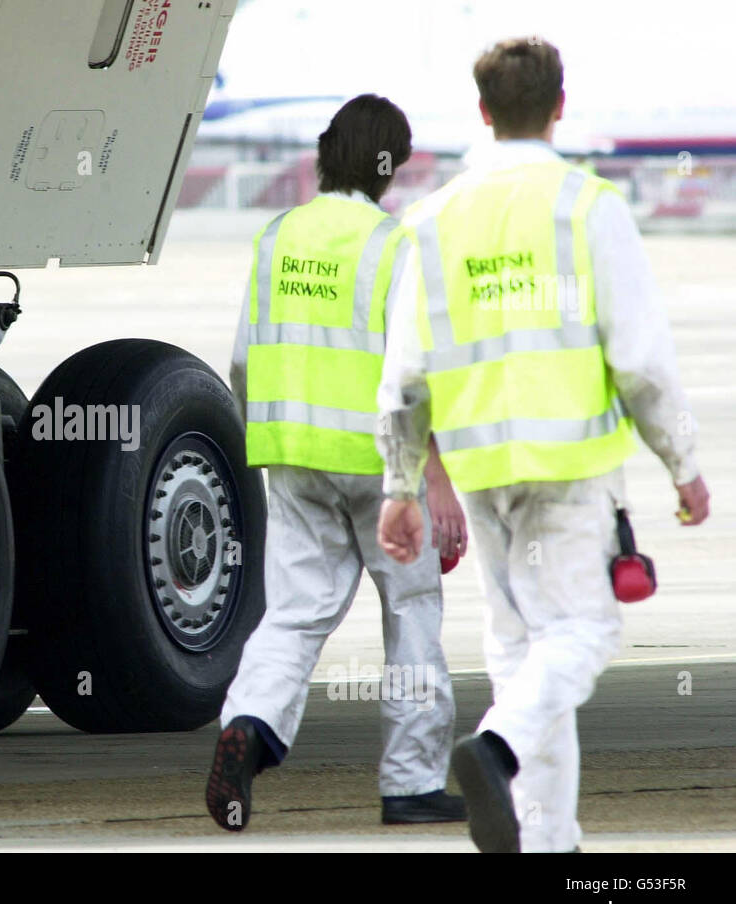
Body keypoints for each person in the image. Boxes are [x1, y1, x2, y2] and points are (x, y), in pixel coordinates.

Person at [375, 38, 710, 853]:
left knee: (522, 649)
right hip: (568, 464)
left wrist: (402, 483)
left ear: (482, 112)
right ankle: (496, 747)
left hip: (482, 469)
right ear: (560, 106)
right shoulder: (588, 208)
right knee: (583, 634)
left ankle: (548, 842)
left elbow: (406, 375)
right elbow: (640, 360)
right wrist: (684, 463)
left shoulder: (429, 222)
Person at [205, 94, 469, 832]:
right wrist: (435, 482)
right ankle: (411, 784)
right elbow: (417, 376)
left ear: (326, 154)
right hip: (380, 466)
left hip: (292, 457)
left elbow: (240, 359)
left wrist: (273, 439)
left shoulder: (276, 236)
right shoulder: (395, 246)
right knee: (410, 611)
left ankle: (247, 727)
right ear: (386, 167)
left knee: (292, 616)